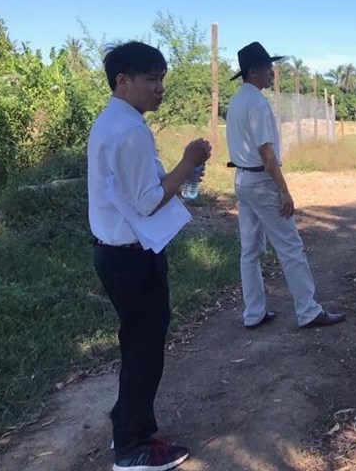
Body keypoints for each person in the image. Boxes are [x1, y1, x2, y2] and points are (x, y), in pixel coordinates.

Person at [88, 41, 212, 471]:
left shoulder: (114, 121)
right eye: (151, 79)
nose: (160, 88)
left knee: (137, 344)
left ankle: (128, 423)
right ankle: (133, 447)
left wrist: (182, 173)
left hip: (117, 253)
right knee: (144, 350)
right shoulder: (130, 130)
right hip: (132, 258)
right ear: (122, 81)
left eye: (162, 79)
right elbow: (147, 201)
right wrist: (188, 162)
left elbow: (136, 188)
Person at [226, 41, 345, 330]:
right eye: (268, 67)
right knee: (290, 246)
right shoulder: (256, 102)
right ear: (253, 71)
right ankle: (308, 310)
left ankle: (254, 313)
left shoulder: (237, 101)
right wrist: (284, 191)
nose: (272, 73)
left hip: (242, 179)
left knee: (249, 250)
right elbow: (266, 151)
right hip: (261, 181)